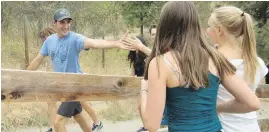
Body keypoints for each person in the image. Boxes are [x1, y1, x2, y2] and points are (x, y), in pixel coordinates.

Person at [124, 2, 261, 132]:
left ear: (165, 25)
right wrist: (215, 107)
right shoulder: (216, 58)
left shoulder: (160, 64)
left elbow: (151, 125)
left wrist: (143, 92)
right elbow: (253, 103)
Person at [27, 8, 132, 132]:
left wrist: (115, 43)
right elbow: (37, 60)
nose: (66, 26)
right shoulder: (49, 41)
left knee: (58, 123)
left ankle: (97, 123)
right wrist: (24, 76)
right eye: (62, 22)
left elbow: (94, 43)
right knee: (79, 117)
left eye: (68, 22)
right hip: (62, 88)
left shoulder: (75, 39)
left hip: (75, 86)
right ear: (54, 23)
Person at [206, 6, 269, 132]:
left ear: (219, 30)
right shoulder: (257, 62)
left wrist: (216, 108)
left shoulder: (211, 62)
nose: (207, 31)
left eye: (209, 26)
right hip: (251, 127)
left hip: (223, 128)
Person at [38, 27, 104, 132]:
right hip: (65, 84)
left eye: (45, 38)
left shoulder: (65, 42)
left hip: (74, 84)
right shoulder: (50, 47)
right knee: (78, 116)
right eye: (43, 40)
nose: (44, 42)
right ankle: (97, 123)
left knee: (59, 120)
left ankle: (97, 122)